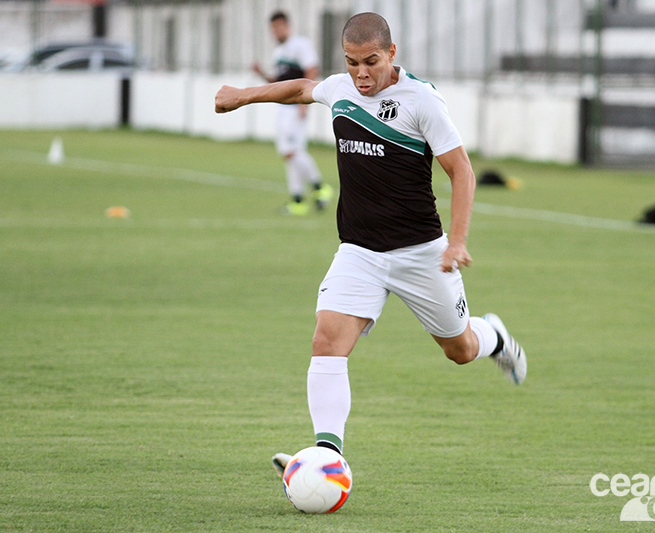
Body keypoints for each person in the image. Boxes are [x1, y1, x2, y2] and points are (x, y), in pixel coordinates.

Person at [216, 12, 527, 471]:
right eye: (352, 62)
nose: (361, 73)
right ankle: (327, 456)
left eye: (371, 61)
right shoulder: (341, 88)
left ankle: (495, 336)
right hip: (359, 251)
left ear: (392, 53)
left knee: (459, 350)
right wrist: (243, 96)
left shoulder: (421, 100)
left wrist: (456, 241)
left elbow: (462, 170)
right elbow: (302, 88)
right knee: (327, 340)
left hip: (422, 253)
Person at [252, 10, 334, 215]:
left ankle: (320, 188)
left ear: (288, 26)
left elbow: (311, 69)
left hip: (295, 106)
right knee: (289, 154)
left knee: (292, 151)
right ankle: (297, 200)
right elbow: (277, 83)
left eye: (279, 26)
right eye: (273, 28)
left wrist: (304, 104)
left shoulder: (299, 44)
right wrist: (261, 74)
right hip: (282, 107)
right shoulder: (279, 53)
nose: (276, 31)